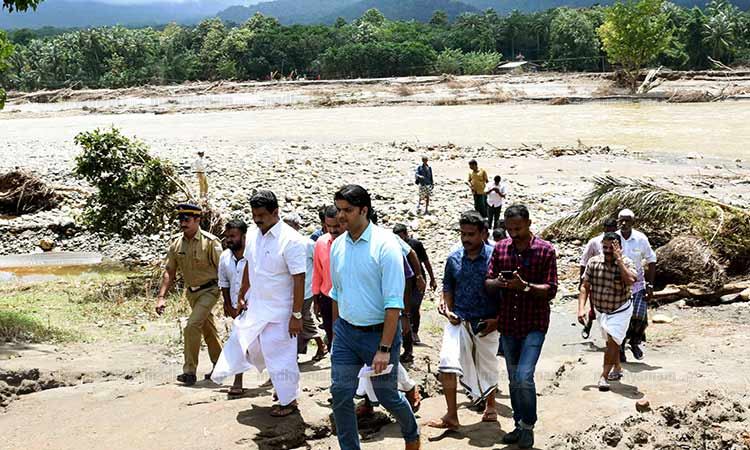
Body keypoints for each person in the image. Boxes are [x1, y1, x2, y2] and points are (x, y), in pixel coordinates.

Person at [329, 184, 420, 450]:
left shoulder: (385, 245)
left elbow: (394, 303)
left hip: (377, 336)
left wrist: (383, 348)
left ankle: (412, 435)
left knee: (387, 396)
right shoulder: (338, 246)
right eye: (339, 210)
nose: (341, 216)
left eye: (347, 210)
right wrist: (336, 335)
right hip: (346, 333)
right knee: (341, 395)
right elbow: (337, 293)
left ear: (364, 210)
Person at [210, 190, 306, 417]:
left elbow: (299, 279)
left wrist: (297, 315)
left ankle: (288, 400)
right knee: (246, 344)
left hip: (282, 311)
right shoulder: (252, 235)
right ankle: (283, 388)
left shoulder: (291, 240)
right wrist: (243, 292)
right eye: (254, 215)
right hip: (256, 307)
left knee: (280, 354)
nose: (257, 219)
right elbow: (249, 266)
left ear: (275, 212)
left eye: (262, 215)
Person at [485, 205, 558, 449]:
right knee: (514, 379)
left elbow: (551, 289)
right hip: (508, 324)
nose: (513, 233)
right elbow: (488, 281)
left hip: (534, 323)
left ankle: (528, 425)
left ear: (528, 223)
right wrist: (500, 283)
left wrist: (525, 286)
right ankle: (519, 425)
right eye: (509, 229)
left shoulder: (545, 250)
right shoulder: (501, 248)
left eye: (517, 228)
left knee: (524, 376)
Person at [428, 211, 500, 431]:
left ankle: (491, 404)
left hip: (486, 324)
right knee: (447, 364)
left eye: (471, 234)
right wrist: (447, 309)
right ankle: (451, 415)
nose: (466, 238)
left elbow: (505, 292)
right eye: (462, 234)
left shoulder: (494, 257)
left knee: (486, 366)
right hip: (458, 321)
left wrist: (497, 320)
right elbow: (448, 288)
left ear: (483, 234)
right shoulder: (454, 258)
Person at [155, 203, 223, 386]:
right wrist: (161, 297)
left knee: (192, 325)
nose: (183, 223)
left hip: (210, 290)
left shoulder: (210, 242)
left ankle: (189, 372)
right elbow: (170, 270)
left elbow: (224, 270)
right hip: (192, 293)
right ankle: (221, 366)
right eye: (180, 219)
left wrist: (231, 297)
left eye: (187, 219)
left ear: (197, 220)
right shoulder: (176, 243)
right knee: (208, 329)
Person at [577, 233, 637, 392]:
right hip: (601, 310)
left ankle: (603, 376)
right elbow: (585, 286)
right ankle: (617, 367)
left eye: (612, 247)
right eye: (605, 247)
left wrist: (619, 261)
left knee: (612, 340)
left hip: (620, 309)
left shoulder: (627, 263)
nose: (608, 250)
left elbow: (631, 281)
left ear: (619, 248)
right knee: (612, 341)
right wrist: (581, 309)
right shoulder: (594, 262)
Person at [283, 212, 327, 362]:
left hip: (306, 289)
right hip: (290, 290)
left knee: (304, 318)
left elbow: (320, 263)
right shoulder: (284, 243)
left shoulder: (307, 244)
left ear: (297, 227)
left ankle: (321, 346)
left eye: (290, 226)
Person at [617, 209, 657, 362]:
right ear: (618, 221)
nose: (624, 223)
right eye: (622, 220)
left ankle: (634, 342)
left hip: (638, 284)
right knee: (622, 318)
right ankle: (620, 348)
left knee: (639, 317)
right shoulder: (614, 238)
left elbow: (651, 260)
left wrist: (651, 285)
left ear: (633, 222)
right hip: (619, 286)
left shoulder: (641, 239)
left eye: (627, 220)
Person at [218, 219, 249, 397]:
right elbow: (224, 283)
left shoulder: (253, 255)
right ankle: (238, 381)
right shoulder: (225, 257)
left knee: (265, 345)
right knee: (239, 342)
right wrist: (228, 304)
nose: (229, 240)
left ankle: (278, 382)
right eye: (227, 236)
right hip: (236, 309)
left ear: (243, 236)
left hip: (254, 306)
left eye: (233, 236)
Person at [393, 224, 437, 345]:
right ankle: (405, 333)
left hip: (418, 281)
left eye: (403, 238)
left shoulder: (416, 245)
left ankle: (414, 331)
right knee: (403, 307)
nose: (401, 241)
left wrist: (432, 278)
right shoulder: (393, 246)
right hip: (403, 281)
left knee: (414, 306)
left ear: (407, 235)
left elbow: (426, 262)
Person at [579, 217, 619, 339]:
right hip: (596, 280)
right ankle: (589, 324)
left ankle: (614, 340)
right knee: (595, 306)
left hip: (614, 281)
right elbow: (584, 261)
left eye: (612, 230)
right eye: (607, 230)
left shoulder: (620, 242)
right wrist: (582, 281)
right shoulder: (594, 242)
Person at [311, 205, 345, 348]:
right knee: (332, 339)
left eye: (336, 226)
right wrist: (316, 299)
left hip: (348, 299)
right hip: (327, 298)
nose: (332, 230)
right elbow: (317, 272)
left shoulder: (352, 243)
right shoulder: (321, 242)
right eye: (328, 226)